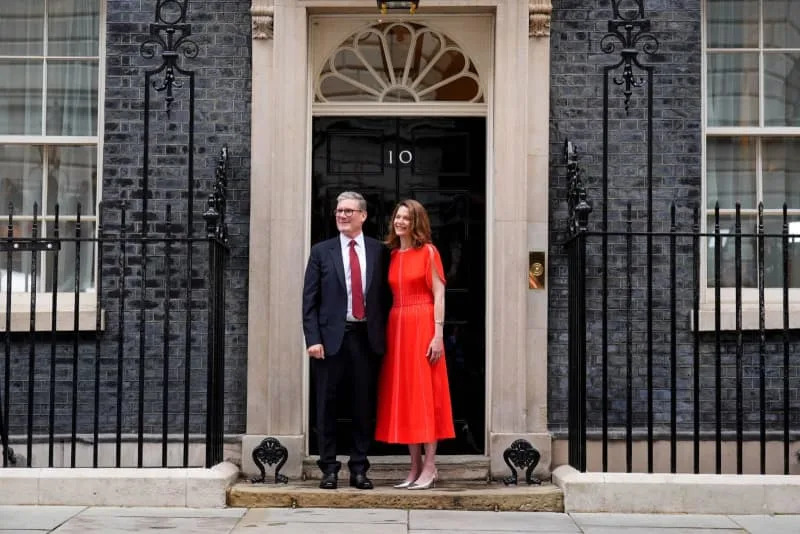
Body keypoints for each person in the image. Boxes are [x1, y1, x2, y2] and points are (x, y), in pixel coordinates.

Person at [302, 191, 389, 490]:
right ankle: (328, 468)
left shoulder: (380, 251)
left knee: (363, 406)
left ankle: (359, 468)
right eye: (339, 211)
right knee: (327, 405)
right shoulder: (320, 252)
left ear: (363, 215)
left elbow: (388, 298)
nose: (342, 215)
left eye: (349, 211)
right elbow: (309, 301)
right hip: (329, 341)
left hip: (367, 339)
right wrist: (312, 339)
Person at [375, 199, 455, 490]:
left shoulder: (429, 252)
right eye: (398, 217)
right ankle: (414, 466)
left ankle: (431, 466)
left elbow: (439, 295)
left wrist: (437, 335)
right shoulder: (393, 255)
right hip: (398, 325)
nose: (401, 222)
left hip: (423, 323)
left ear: (417, 222)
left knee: (425, 394)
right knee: (406, 395)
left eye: (407, 218)